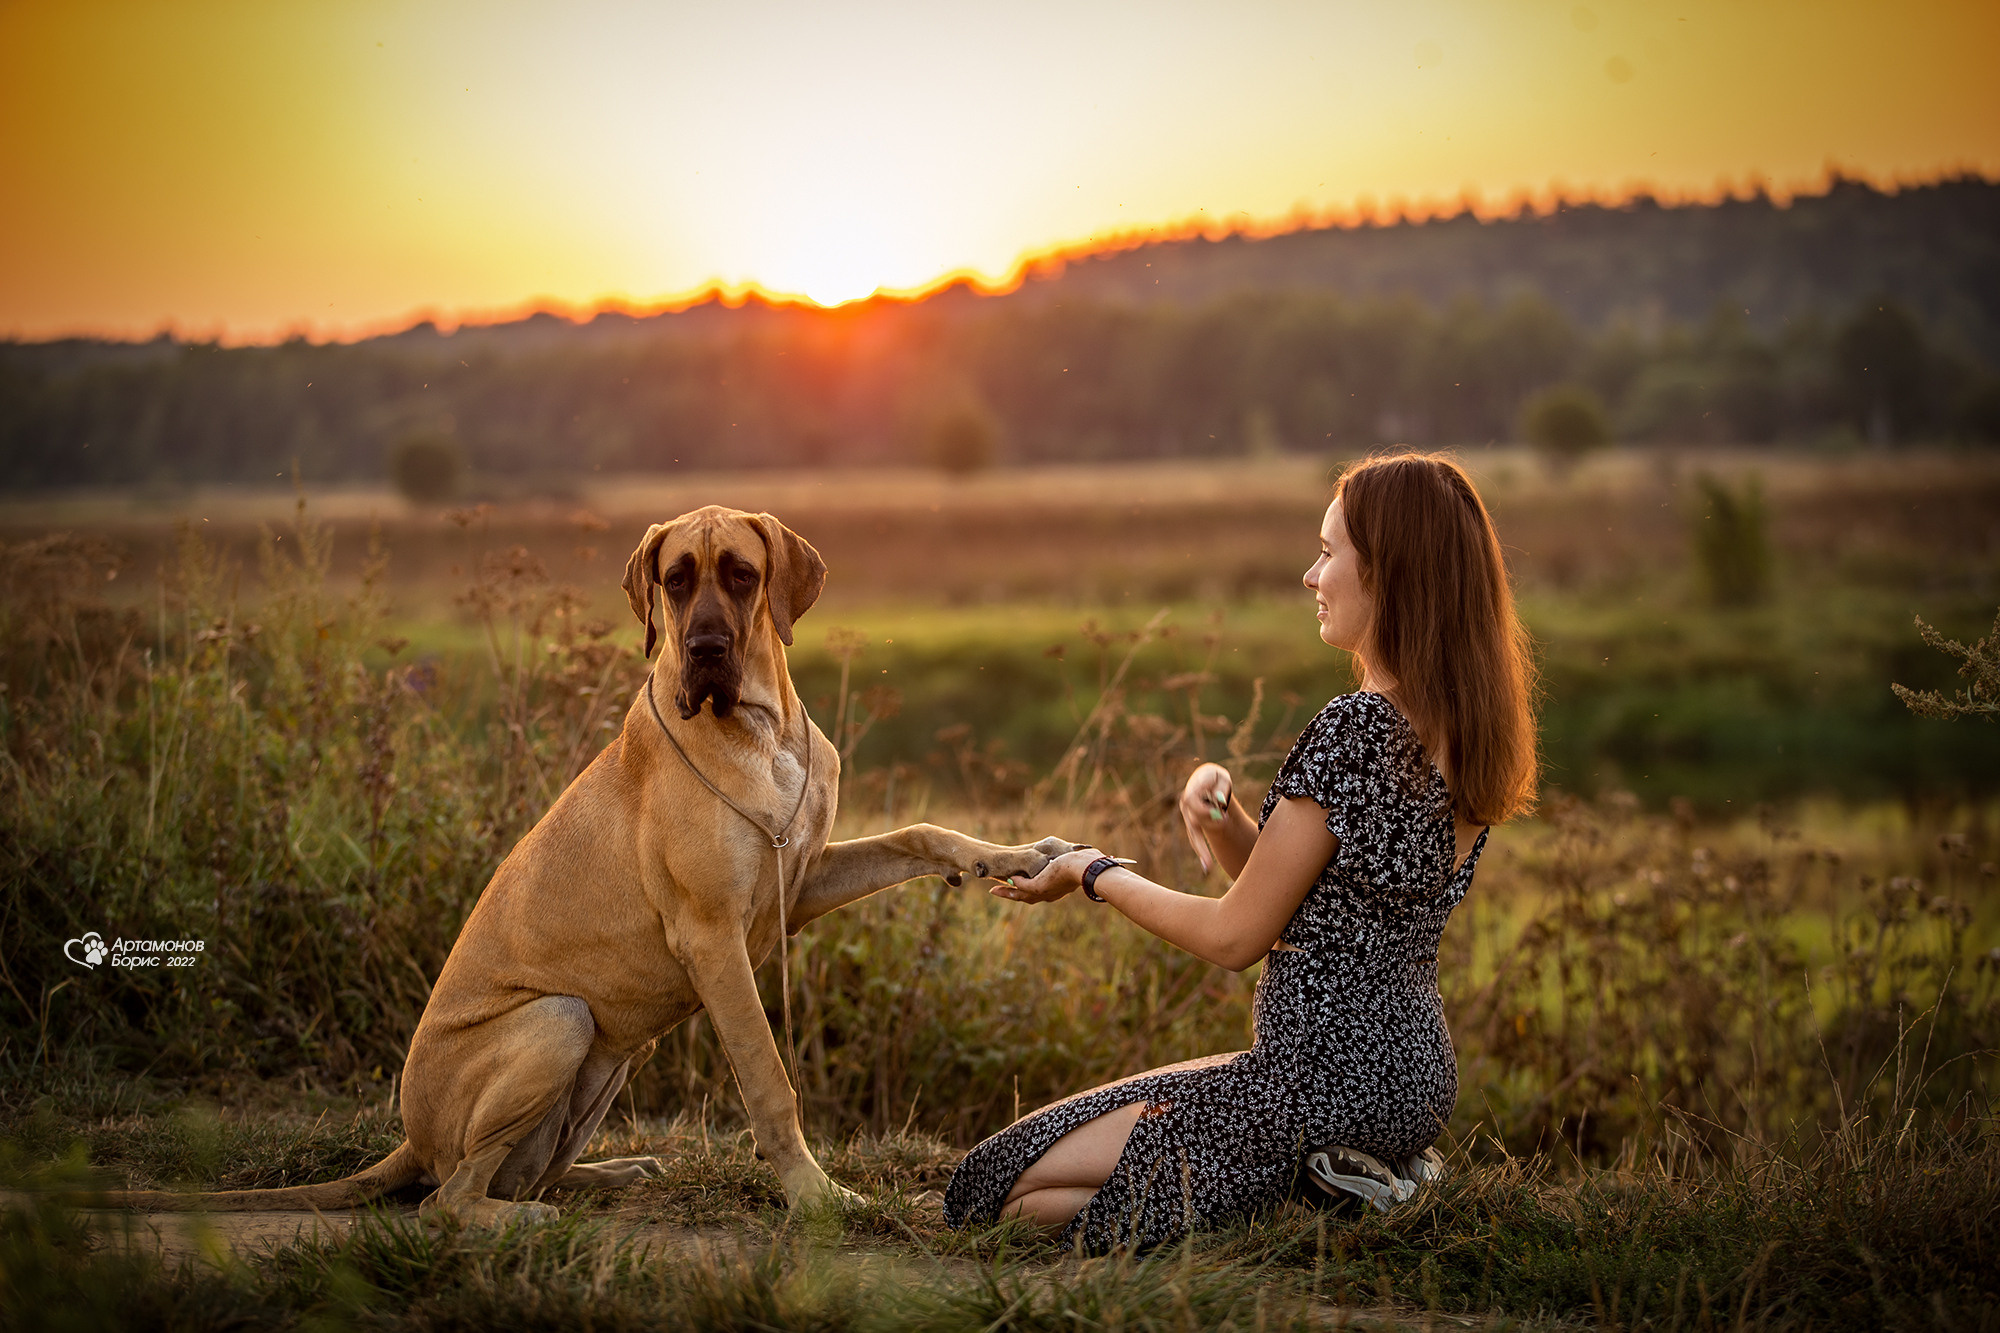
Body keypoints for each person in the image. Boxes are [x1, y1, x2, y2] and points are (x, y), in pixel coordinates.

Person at [941, 451, 1538, 1252]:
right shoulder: (1469, 737)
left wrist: (1093, 870)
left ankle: (1311, 1191)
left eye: (1329, 553)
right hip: (1410, 1086)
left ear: (1389, 573)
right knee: (1064, 1182)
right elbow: (1313, 904)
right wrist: (1218, 812)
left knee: (989, 1190)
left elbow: (1235, 936)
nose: (1309, 574)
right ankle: (1349, 1182)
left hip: (1305, 1086)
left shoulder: (1356, 730)